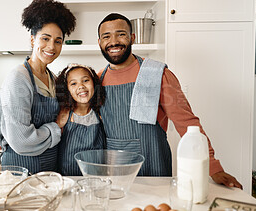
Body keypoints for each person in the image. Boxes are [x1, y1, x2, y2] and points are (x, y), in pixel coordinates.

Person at [97, 13, 242, 188]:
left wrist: (213, 167)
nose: (113, 42)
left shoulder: (158, 74)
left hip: (154, 166)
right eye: (106, 36)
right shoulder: (97, 80)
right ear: (100, 42)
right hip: (114, 170)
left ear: (132, 38)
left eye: (121, 34)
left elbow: (187, 124)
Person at [0, 0, 76, 174]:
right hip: (21, 171)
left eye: (58, 41)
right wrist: (56, 127)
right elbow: (22, 140)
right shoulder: (19, 77)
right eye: (45, 38)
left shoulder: (53, 78)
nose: (51, 47)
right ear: (33, 39)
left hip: (48, 169)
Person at [55, 64, 106, 176]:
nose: (81, 86)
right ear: (66, 89)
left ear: (95, 84)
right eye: (73, 83)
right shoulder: (64, 115)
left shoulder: (101, 114)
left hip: (96, 178)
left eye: (85, 80)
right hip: (68, 179)